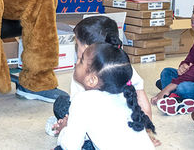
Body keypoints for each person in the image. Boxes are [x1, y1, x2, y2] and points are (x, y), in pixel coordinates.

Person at [49, 16, 157, 146]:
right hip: (122, 125)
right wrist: (145, 132)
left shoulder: (83, 89)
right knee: (63, 104)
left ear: (89, 50)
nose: (77, 56)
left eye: (77, 45)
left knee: (62, 107)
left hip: (99, 127)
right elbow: (141, 103)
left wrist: (66, 129)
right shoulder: (122, 69)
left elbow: (71, 145)